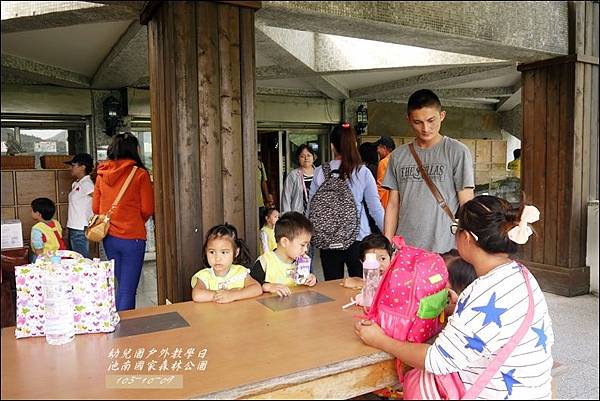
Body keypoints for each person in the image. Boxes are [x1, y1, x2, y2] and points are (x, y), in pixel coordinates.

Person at [355, 195, 554, 399]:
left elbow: (437, 361)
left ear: (467, 237)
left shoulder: (481, 293)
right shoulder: (522, 275)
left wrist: (381, 340)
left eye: (455, 229)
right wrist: (460, 308)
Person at [382, 89, 474, 254]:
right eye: (418, 122)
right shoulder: (397, 156)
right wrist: (387, 245)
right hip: (405, 248)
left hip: (445, 247)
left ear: (442, 116)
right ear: (408, 120)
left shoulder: (457, 151)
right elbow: (393, 204)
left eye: (431, 120)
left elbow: (466, 202)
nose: (425, 128)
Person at [309, 124, 384, 280]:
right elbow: (375, 209)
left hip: (327, 240)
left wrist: (306, 240)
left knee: (333, 288)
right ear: (354, 144)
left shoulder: (319, 172)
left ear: (332, 146)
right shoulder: (362, 172)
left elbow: (311, 208)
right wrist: (389, 236)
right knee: (362, 288)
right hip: (358, 239)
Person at [93, 133, 155, 311]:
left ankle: (117, 324)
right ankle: (125, 332)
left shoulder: (101, 174)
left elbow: (96, 208)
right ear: (135, 150)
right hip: (133, 238)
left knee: (121, 285)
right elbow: (147, 209)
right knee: (128, 290)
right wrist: (133, 221)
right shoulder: (140, 174)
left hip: (109, 237)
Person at [250, 212, 317, 297]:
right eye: (303, 245)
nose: (306, 249)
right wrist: (267, 286)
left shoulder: (301, 262)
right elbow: (251, 284)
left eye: (307, 245)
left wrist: (312, 279)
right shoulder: (265, 261)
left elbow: (308, 285)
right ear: (284, 242)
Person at [191, 224, 262, 303]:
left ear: (236, 252)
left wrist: (233, 295)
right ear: (206, 251)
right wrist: (222, 295)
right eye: (212, 252)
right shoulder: (204, 275)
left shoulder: (240, 272)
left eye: (224, 252)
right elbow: (197, 295)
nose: (217, 258)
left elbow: (257, 288)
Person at [64, 153, 95, 258]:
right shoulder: (77, 183)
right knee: (77, 259)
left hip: (80, 228)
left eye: (73, 165)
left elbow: (99, 198)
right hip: (74, 227)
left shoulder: (86, 183)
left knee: (82, 260)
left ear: (83, 167)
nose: (70, 168)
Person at [281, 144, 317, 215]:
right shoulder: (293, 175)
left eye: (309, 155)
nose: (306, 158)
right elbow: (286, 198)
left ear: (314, 157)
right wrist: (288, 218)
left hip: (317, 216)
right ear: (298, 158)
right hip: (298, 217)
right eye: (302, 156)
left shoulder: (319, 173)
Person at [374, 136, 396, 209]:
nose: (377, 151)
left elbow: (381, 185)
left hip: (386, 204)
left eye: (378, 148)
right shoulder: (398, 160)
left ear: (385, 148)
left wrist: (375, 202)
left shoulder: (384, 163)